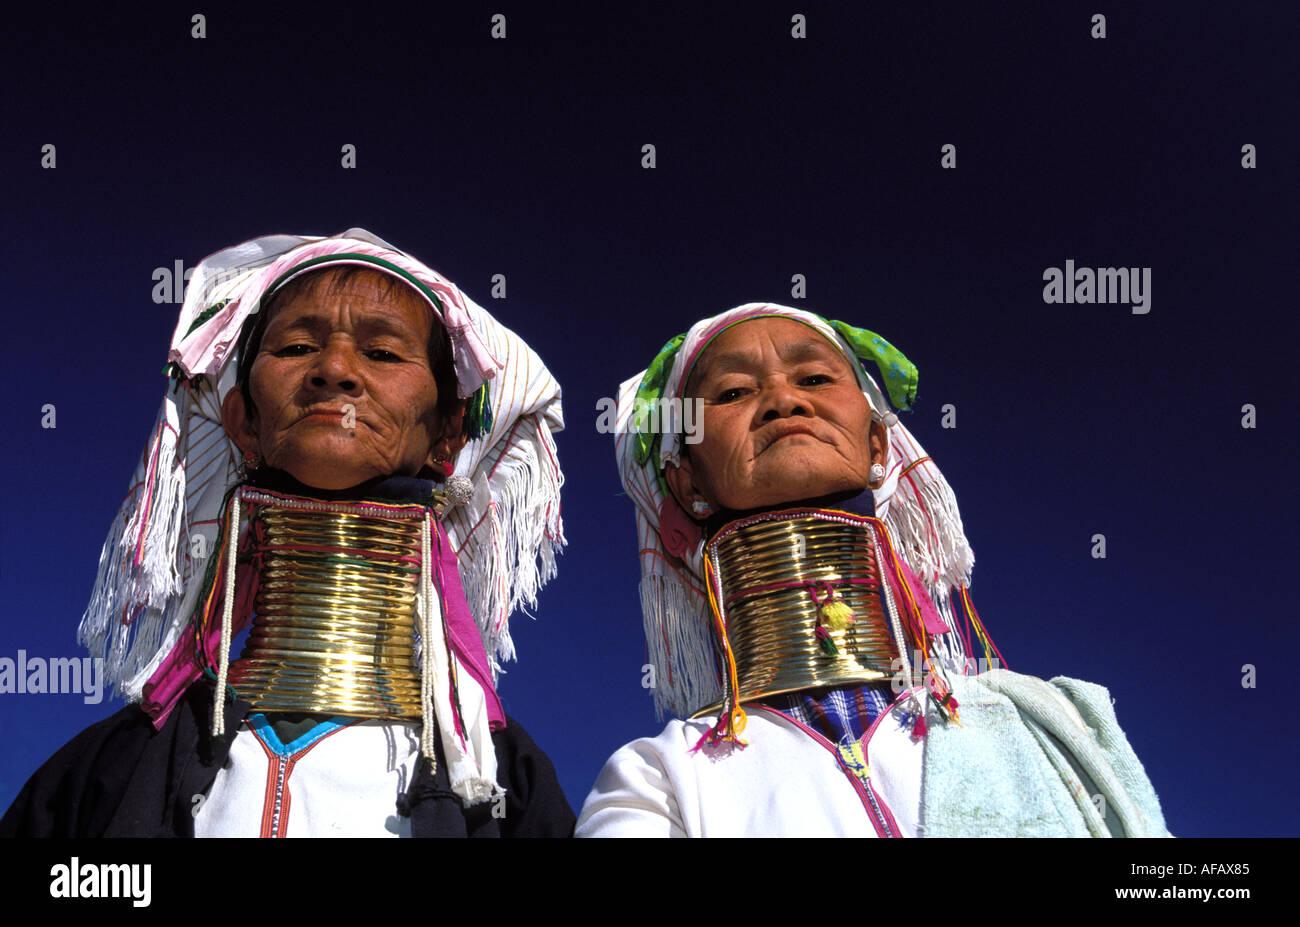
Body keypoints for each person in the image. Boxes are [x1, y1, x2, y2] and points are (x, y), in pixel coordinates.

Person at [2, 229, 574, 837]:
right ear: (242, 420)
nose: (333, 370)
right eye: (298, 345)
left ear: (448, 434)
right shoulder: (101, 779)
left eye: (382, 353)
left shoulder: (504, 787)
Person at [577, 303, 1170, 837]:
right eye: (732, 392)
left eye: (814, 379)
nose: (786, 401)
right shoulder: (660, 780)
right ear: (687, 483)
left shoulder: (1047, 727)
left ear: (880, 446)